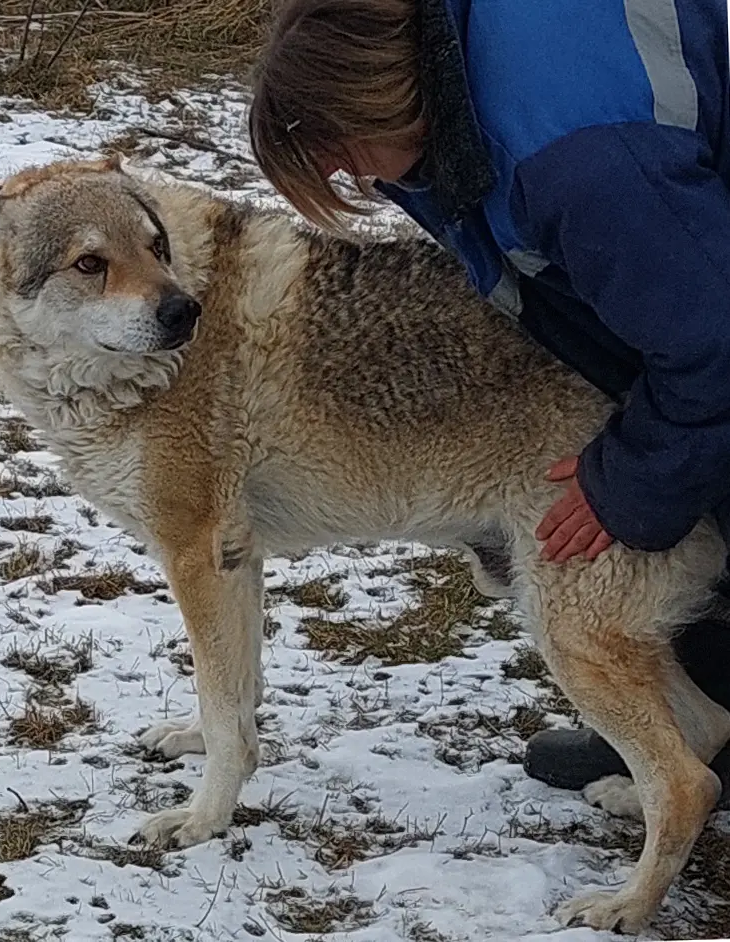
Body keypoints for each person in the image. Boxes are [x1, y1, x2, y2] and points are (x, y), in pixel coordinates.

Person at [247, 0, 730, 793]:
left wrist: (628, 482)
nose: (349, 177)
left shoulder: (576, 158)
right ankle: (682, 717)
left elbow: (714, 348)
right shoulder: (464, 81)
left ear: (374, 99)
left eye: (338, 151)